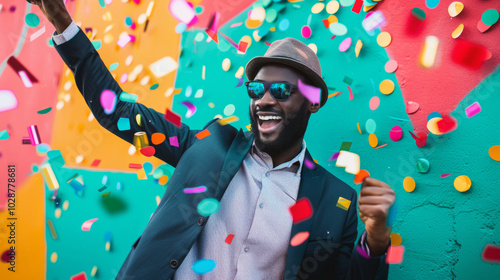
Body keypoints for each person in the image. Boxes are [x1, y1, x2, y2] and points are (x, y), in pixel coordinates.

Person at [33, 0, 396, 279]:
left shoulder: (337, 201)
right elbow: (118, 114)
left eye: (282, 91)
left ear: (312, 101)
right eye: (257, 90)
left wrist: (376, 240)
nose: (266, 100)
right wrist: (64, 25)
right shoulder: (207, 146)